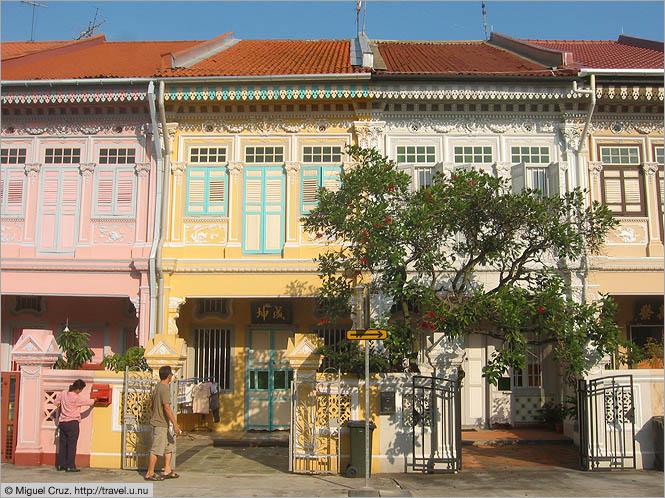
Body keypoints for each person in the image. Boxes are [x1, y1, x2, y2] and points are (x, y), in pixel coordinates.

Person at [145, 365, 182, 481]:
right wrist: (175, 424)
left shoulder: (157, 387)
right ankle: (150, 473)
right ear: (168, 375)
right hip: (160, 424)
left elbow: (151, 405)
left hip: (162, 423)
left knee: (169, 445)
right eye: (171, 374)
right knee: (156, 449)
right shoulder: (164, 389)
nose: (172, 376)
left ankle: (167, 470)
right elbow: (167, 407)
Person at [56, 379, 95, 472]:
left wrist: (62, 407)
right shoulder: (77, 398)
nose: (81, 392)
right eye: (81, 390)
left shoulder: (64, 393)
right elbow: (89, 402)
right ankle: (70, 466)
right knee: (72, 445)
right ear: (78, 389)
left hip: (62, 422)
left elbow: (56, 402)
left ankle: (61, 465)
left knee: (63, 444)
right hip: (72, 422)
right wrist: (95, 400)